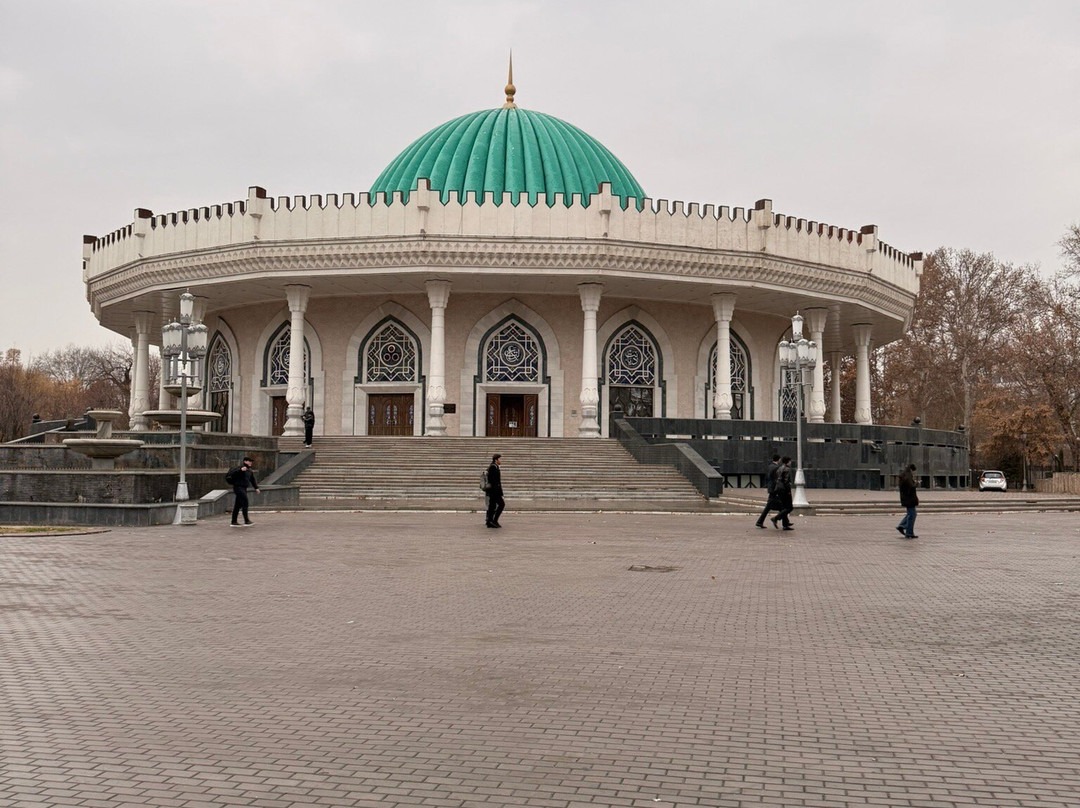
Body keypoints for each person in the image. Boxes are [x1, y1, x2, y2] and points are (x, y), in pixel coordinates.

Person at [231, 456, 261, 527]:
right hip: (238, 487)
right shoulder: (240, 468)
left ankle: (234, 521)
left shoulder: (249, 470)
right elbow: (233, 474)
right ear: (245, 461)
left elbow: (252, 480)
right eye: (249, 461)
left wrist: (256, 488)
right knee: (245, 503)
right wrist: (240, 470)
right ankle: (246, 520)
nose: (251, 463)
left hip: (244, 488)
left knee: (237, 505)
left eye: (251, 462)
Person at [755, 454, 781, 528]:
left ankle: (760, 521)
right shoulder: (777, 467)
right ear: (779, 459)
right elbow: (776, 479)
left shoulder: (770, 466)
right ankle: (781, 520)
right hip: (774, 489)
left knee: (769, 507)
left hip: (770, 488)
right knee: (782, 506)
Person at [770, 456, 795, 530]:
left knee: (784, 507)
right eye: (790, 461)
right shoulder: (787, 469)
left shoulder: (780, 468)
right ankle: (776, 518)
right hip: (784, 490)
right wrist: (788, 491)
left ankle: (785, 524)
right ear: (787, 462)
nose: (791, 463)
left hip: (778, 489)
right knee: (789, 507)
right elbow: (786, 481)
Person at [896, 463, 919, 538]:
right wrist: (916, 484)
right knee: (912, 515)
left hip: (907, 498)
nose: (914, 473)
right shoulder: (907, 477)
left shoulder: (905, 476)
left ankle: (902, 526)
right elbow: (910, 487)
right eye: (914, 471)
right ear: (911, 470)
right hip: (909, 499)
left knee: (911, 514)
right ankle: (908, 532)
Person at [485, 453, 505, 529]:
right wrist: (499, 492)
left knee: (492, 506)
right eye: (500, 459)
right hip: (494, 491)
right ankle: (494, 520)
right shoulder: (493, 467)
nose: (501, 460)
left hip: (493, 491)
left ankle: (490, 521)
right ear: (496, 460)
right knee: (501, 504)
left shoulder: (494, 466)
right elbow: (494, 481)